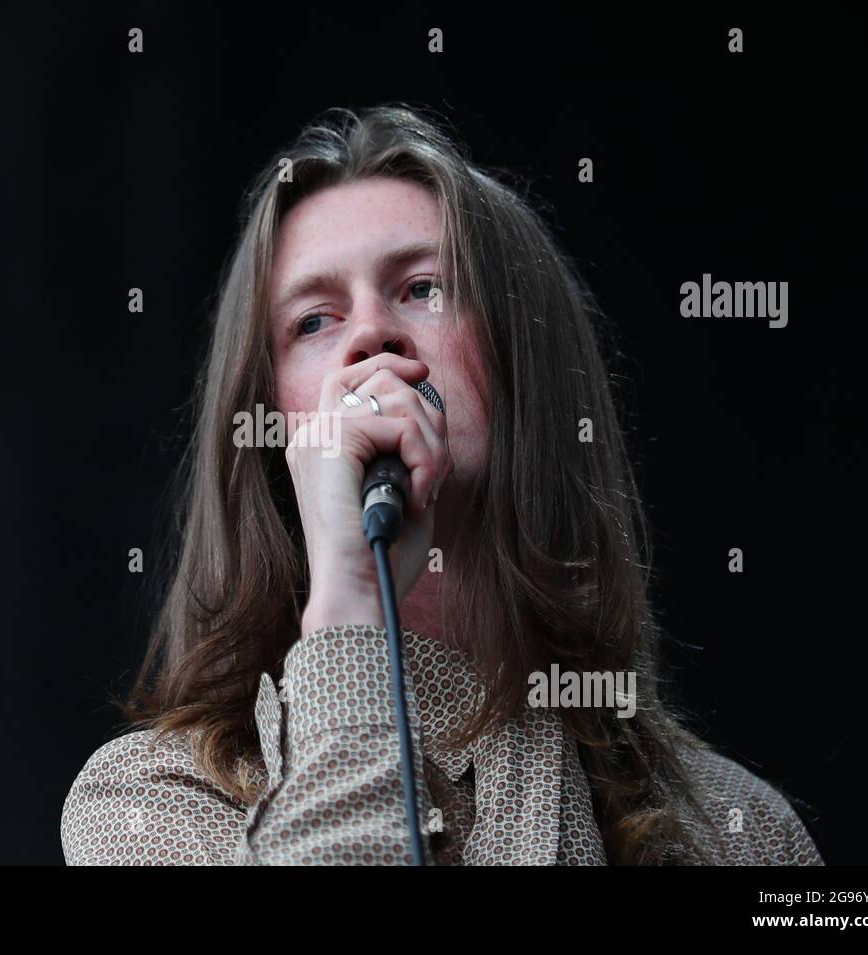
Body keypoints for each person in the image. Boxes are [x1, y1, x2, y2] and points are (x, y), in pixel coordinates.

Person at [60, 104, 825, 865]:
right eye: (314, 321)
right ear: (274, 429)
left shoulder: (742, 829)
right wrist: (351, 605)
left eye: (424, 287)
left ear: (523, 364)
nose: (370, 334)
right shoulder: (148, 802)